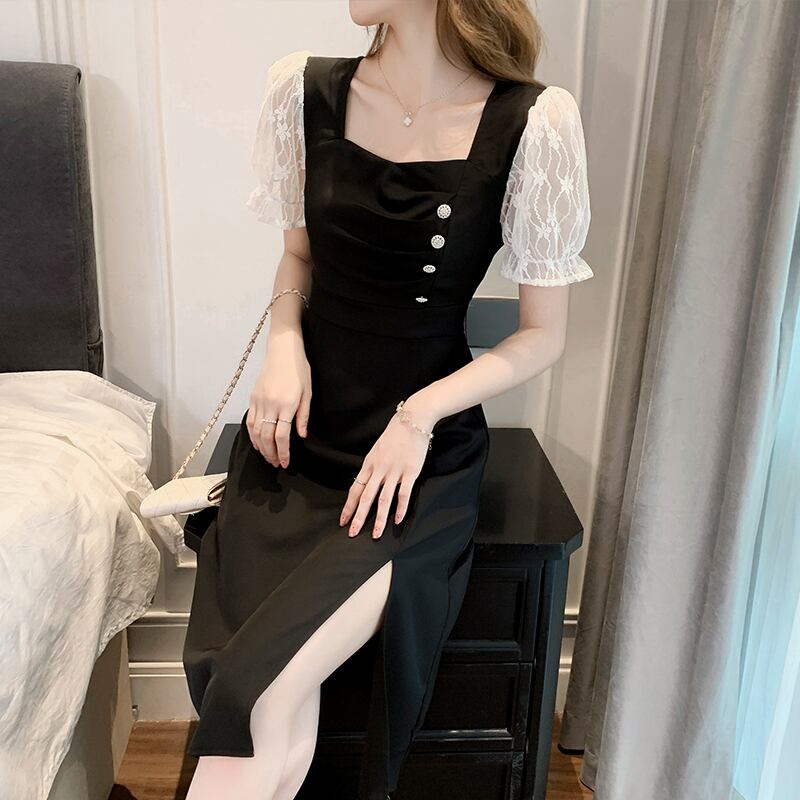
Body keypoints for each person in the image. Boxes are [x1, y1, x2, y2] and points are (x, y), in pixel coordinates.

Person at [182, 1, 594, 798]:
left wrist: (419, 415)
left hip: (408, 466)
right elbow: (298, 257)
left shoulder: (534, 122)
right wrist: (284, 344)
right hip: (298, 442)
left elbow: (542, 336)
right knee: (257, 698)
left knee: (256, 692)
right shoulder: (302, 90)